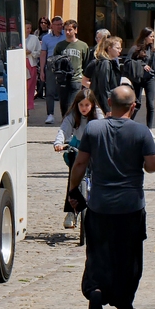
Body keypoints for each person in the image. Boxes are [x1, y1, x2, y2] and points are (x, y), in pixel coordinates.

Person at [68, 85, 155, 309]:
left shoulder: (93, 129)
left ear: (109, 102)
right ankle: (123, 305)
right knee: (128, 257)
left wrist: (72, 191)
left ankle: (96, 291)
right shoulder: (141, 133)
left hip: (100, 204)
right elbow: (153, 166)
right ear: (133, 106)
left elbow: (79, 164)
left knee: (98, 254)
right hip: (130, 206)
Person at [54, 88, 104, 228]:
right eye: (81, 105)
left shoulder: (98, 115)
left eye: (87, 105)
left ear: (93, 105)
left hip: (94, 147)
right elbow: (64, 130)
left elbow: (105, 130)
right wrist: (58, 142)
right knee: (73, 178)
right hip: (78, 147)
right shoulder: (72, 115)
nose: (83, 108)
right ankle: (71, 211)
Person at [52, 19, 89, 121]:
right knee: (63, 105)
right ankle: (66, 124)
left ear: (75, 30)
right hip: (63, 79)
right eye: (65, 30)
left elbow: (86, 62)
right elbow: (55, 61)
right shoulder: (60, 46)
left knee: (72, 104)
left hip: (76, 79)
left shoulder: (83, 46)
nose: (67, 32)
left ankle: (71, 125)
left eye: (70, 30)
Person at [83, 36, 123, 116]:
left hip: (105, 101)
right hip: (102, 104)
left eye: (120, 48)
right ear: (109, 48)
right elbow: (104, 87)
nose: (120, 50)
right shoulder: (105, 63)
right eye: (117, 48)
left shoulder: (111, 63)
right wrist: (107, 109)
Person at [128, 28, 155, 128]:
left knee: (151, 105)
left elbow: (154, 67)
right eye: (151, 36)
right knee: (136, 103)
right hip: (138, 79)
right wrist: (141, 65)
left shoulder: (152, 50)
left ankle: (149, 128)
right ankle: (127, 123)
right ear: (145, 36)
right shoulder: (135, 49)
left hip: (150, 78)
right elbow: (128, 62)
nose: (153, 38)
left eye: (153, 36)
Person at [40, 16, 66, 124]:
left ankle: (65, 115)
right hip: (51, 64)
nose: (60, 27)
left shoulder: (66, 35)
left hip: (64, 65)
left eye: (61, 24)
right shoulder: (46, 38)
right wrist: (42, 70)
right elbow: (43, 54)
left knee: (63, 92)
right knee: (50, 91)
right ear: (52, 26)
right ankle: (50, 114)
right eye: (58, 25)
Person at [24, 21, 41, 113]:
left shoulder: (34, 38)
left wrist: (31, 53)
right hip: (20, 64)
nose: (29, 30)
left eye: (30, 28)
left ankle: (27, 108)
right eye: (27, 28)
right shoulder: (17, 37)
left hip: (31, 64)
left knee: (30, 87)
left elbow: (39, 52)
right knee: (22, 87)